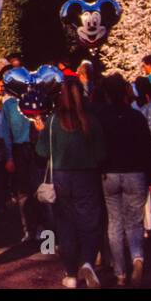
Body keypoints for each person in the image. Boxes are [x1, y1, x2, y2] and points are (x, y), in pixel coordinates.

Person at [33, 76, 106, 288]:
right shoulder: (91, 120)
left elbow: (42, 152)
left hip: (61, 176)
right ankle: (88, 261)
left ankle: (71, 273)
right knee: (90, 222)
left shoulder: (53, 121)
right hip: (87, 175)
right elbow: (101, 153)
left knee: (66, 225)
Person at [95, 73, 151, 285]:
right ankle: (137, 258)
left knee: (114, 223)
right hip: (135, 172)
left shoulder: (101, 118)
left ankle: (120, 273)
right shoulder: (136, 117)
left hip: (109, 173)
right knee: (134, 222)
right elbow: (147, 148)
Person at [0, 77, 43, 243]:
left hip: (34, 148)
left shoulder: (35, 99)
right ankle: (28, 229)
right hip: (19, 149)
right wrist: (9, 157)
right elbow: (6, 133)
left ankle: (41, 228)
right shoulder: (9, 105)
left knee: (38, 190)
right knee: (23, 192)